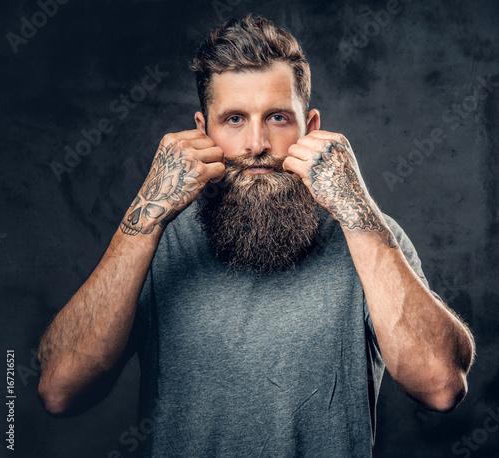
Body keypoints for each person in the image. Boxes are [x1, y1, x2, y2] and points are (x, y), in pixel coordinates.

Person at [37, 15, 475, 457]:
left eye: (278, 117)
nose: (257, 143)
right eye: (233, 119)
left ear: (312, 128)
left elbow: (441, 387)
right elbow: (59, 391)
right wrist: (141, 222)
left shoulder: (370, 235)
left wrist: (359, 216)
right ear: (202, 130)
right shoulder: (156, 240)